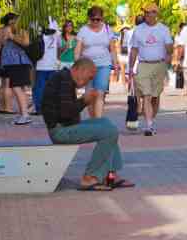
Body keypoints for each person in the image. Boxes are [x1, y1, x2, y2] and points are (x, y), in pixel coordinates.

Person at [42, 57, 134, 191]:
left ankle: (110, 173)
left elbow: (66, 112)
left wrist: (85, 101)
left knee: (105, 123)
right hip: (60, 131)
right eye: (89, 77)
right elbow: (65, 113)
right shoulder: (64, 80)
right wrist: (84, 101)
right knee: (109, 132)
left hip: (65, 126)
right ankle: (90, 177)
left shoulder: (64, 78)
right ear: (80, 70)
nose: (89, 81)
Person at [127, 4, 172, 137]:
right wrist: (130, 67)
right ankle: (149, 125)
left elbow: (169, 49)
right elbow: (134, 49)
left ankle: (151, 120)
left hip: (159, 65)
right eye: (146, 13)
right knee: (146, 95)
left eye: (150, 13)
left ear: (156, 14)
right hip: (143, 65)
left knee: (155, 97)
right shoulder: (138, 30)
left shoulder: (164, 29)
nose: (147, 15)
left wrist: (167, 65)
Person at [74, 6, 118, 118]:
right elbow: (78, 49)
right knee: (89, 94)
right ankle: (93, 119)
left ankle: (98, 121)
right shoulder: (83, 30)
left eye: (98, 19)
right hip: (87, 66)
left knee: (100, 93)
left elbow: (112, 49)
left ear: (102, 18)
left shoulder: (107, 29)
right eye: (93, 19)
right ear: (89, 18)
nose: (95, 22)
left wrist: (116, 65)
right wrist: (76, 65)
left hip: (104, 64)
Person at [0, 25, 34, 125]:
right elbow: (2, 43)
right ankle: (23, 113)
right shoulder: (7, 29)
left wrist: (12, 36)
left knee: (17, 88)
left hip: (18, 62)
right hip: (12, 62)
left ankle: (25, 115)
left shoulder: (21, 30)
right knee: (19, 88)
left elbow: (26, 42)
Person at [33, 21, 61, 112]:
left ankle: (39, 108)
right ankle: (51, 107)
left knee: (39, 88)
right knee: (52, 88)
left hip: (40, 64)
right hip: (52, 64)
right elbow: (59, 45)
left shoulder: (35, 23)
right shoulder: (54, 25)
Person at [124, 14, 144, 132]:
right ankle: (139, 107)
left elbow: (128, 47)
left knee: (132, 90)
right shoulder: (144, 32)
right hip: (142, 63)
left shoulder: (129, 33)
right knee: (141, 89)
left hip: (131, 64)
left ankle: (135, 112)